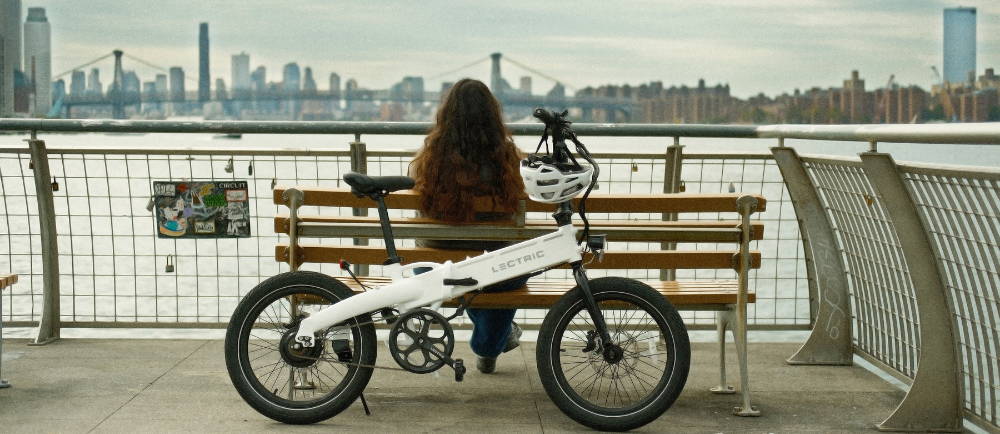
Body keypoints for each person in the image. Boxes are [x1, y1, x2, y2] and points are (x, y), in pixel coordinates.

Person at [409, 78, 527, 374]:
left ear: (446, 115)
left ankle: (495, 338)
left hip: (436, 268)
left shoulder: (430, 159)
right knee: (502, 267)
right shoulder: (508, 160)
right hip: (496, 270)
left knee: (469, 268)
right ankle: (489, 346)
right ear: (493, 116)